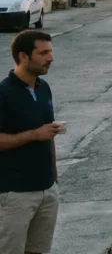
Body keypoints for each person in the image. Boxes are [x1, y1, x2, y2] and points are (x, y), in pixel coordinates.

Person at [0, 31, 61, 254]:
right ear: (23, 57)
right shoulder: (4, 93)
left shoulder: (43, 88)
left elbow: (49, 133)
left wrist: (54, 179)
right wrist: (34, 135)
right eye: (43, 53)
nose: (50, 58)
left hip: (46, 189)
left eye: (50, 52)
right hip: (14, 194)